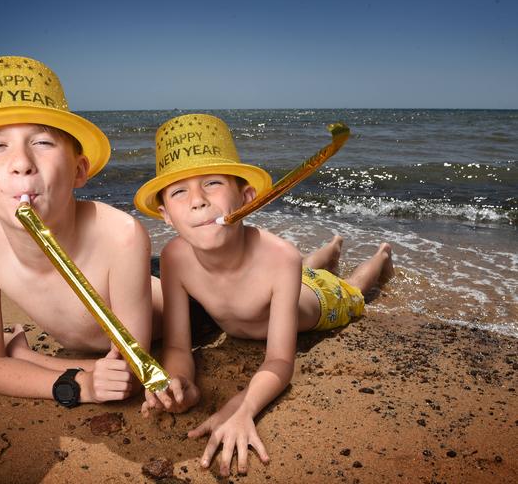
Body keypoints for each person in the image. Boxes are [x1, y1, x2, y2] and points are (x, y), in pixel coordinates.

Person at [134, 114, 394, 476]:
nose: (197, 201)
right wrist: (181, 380)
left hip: (318, 301)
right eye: (180, 191)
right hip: (290, 279)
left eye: (212, 184)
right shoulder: (175, 258)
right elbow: (178, 347)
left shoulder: (280, 257)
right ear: (165, 214)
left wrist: (242, 408)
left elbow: (279, 363)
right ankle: (332, 247)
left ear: (248, 196)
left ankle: (381, 255)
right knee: (306, 265)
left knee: (352, 290)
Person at [0, 55, 155, 406]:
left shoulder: (122, 235)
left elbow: (135, 371)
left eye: (43, 142)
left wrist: (33, 361)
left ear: (79, 170)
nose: (21, 163)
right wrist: (78, 385)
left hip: (173, 295)